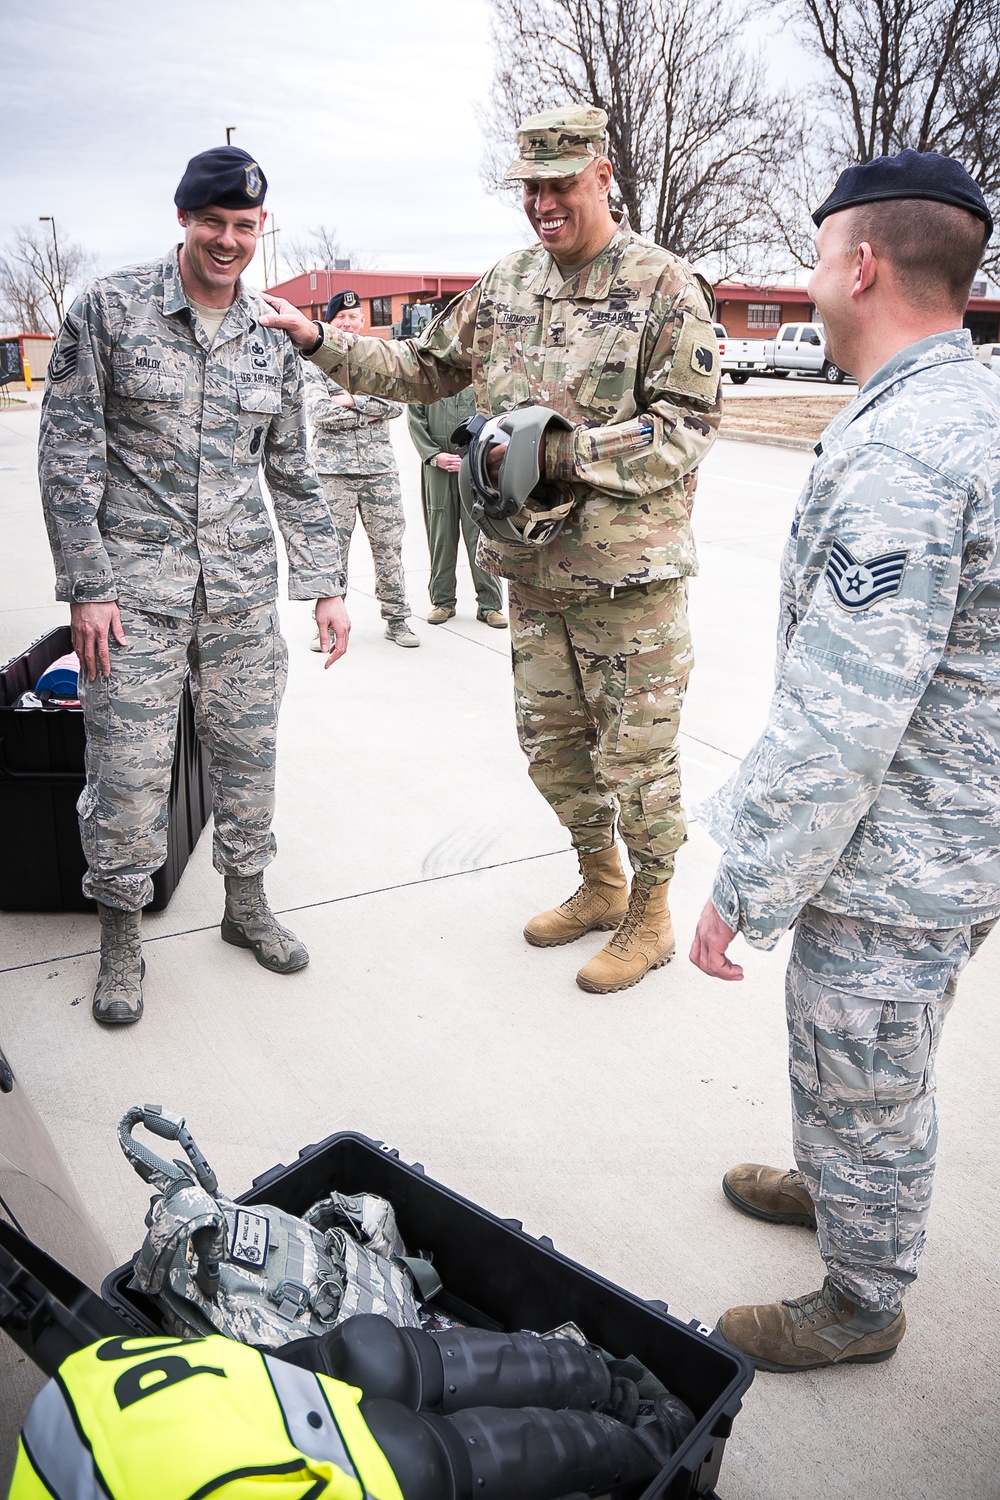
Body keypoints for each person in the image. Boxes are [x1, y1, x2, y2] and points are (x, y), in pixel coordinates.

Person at [261, 106, 722, 994]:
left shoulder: (664, 286)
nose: (544, 203)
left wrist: (556, 455)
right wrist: (320, 342)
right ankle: (599, 882)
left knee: (637, 757)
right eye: (532, 187)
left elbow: (686, 427)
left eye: (561, 183)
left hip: (628, 581)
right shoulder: (508, 286)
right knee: (551, 746)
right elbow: (420, 369)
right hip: (533, 574)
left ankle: (653, 913)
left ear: (603, 175)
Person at [689, 149, 999, 1372]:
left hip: (897, 850)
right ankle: (833, 1180)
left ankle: (862, 1299)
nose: (812, 283)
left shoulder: (907, 453)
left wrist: (743, 886)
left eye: (818, 259)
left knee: (865, 1070)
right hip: (957, 828)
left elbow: (841, 715)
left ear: (859, 263)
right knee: (876, 1056)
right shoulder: (970, 403)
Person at [37, 146, 350, 1027]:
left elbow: (293, 468)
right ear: (183, 220)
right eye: (212, 222)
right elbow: (68, 455)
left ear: (260, 230)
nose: (227, 240)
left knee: (249, 757)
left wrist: (326, 583)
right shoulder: (109, 310)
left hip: (242, 592)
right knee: (129, 773)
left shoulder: (273, 334)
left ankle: (245, 907)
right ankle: (122, 941)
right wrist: (87, 587)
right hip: (132, 599)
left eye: (244, 226)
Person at [10, 1320, 693, 1499]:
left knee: (420, 1462)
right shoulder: (64, 1391)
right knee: (372, 1359)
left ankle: (653, 1440)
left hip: (185, 1472)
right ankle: (627, 1398)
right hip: (109, 1389)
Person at [304, 290, 418, 649]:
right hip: (332, 473)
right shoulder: (314, 363)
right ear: (330, 322)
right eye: (341, 318)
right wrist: (372, 409)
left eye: (354, 317)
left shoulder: (376, 360)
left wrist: (353, 400)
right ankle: (329, 626)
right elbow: (318, 413)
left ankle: (398, 620)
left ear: (363, 322)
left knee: (389, 549)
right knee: (332, 550)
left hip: (378, 472)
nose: (348, 323)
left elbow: (398, 404)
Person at [406, 387, 507, 627]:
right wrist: (433, 455)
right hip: (438, 467)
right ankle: (442, 601)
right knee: (441, 533)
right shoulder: (428, 378)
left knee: (481, 533)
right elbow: (415, 418)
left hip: (476, 466)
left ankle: (490, 605)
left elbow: (497, 419)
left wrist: (482, 456)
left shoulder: (480, 378)